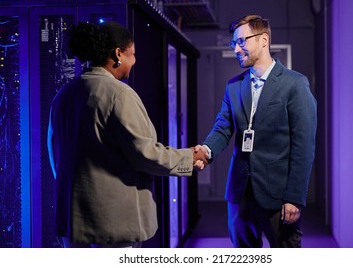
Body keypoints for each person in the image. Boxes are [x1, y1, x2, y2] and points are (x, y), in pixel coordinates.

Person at [47, 21, 208, 248]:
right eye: (133, 54)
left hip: (72, 224)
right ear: (118, 54)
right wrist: (189, 157)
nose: (135, 61)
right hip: (112, 225)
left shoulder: (63, 94)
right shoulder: (119, 94)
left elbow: (54, 155)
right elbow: (145, 154)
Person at [195, 14, 317, 248]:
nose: (236, 49)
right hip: (240, 194)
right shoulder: (234, 85)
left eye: (241, 41)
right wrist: (207, 150)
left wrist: (294, 197)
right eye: (234, 43)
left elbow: (304, 147)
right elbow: (223, 127)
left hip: (278, 195)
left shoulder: (295, 84)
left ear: (263, 39)